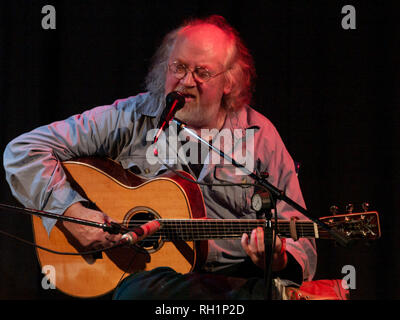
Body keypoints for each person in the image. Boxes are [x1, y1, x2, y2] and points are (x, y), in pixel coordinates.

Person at [3, 15, 316, 300]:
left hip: (235, 283)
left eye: (202, 72)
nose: (186, 80)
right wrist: (72, 212)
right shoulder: (129, 118)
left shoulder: (260, 136)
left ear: (230, 81)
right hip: (152, 282)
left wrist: (280, 260)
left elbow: (301, 235)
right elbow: (23, 151)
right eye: (178, 67)